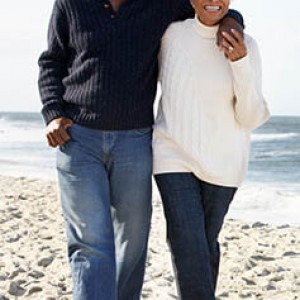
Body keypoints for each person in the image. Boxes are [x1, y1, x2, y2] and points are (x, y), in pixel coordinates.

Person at [38, 0, 244, 298]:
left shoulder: (159, 5)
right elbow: (51, 61)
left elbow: (209, 8)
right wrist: (53, 113)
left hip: (134, 142)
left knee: (132, 244)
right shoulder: (71, 3)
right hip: (77, 138)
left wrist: (233, 20)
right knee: (91, 243)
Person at [153, 0, 270, 299]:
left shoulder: (247, 45)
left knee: (203, 244)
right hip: (173, 155)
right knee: (186, 242)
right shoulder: (169, 35)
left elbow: (251, 117)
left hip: (225, 163)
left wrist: (240, 63)